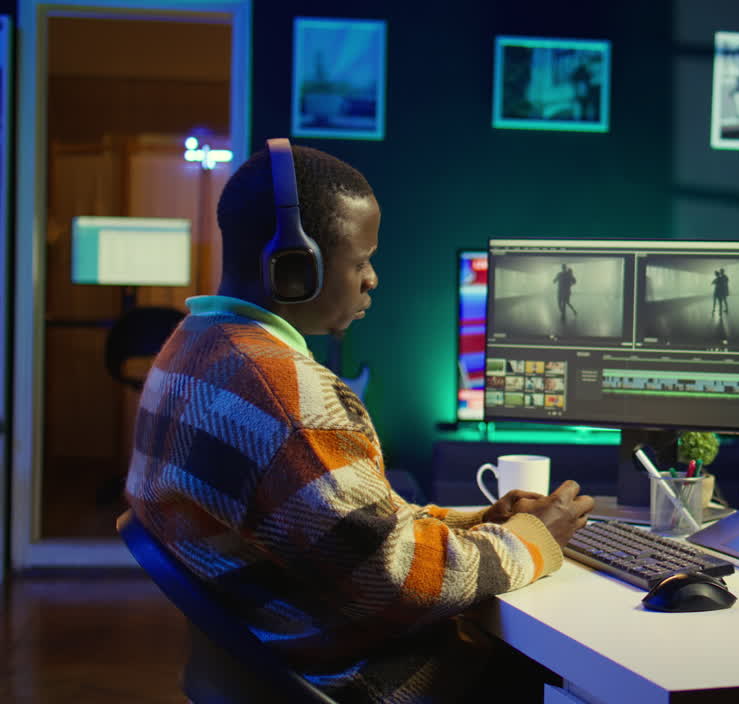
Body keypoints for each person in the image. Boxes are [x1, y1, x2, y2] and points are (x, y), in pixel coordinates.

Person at [124, 141, 594, 702]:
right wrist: (535, 538)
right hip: (365, 680)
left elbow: (345, 528)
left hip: (273, 662)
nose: (372, 278)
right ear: (293, 267)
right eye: (360, 260)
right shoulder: (286, 395)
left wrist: (476, 523)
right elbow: (402, 581)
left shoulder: (192, 348)